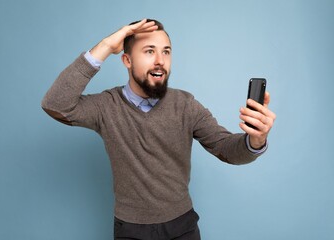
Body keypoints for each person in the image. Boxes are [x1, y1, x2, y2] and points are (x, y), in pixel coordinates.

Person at [42, 19, 276, 240]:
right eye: (149, 51)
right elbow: (55, 104)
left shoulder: (186, 105)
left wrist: (255, 140)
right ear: (127, 60)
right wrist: (104, 46)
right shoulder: (106, 106)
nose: (160, 60)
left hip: (182, 227)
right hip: (130, 229)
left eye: (166, 51)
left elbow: (226, 148)